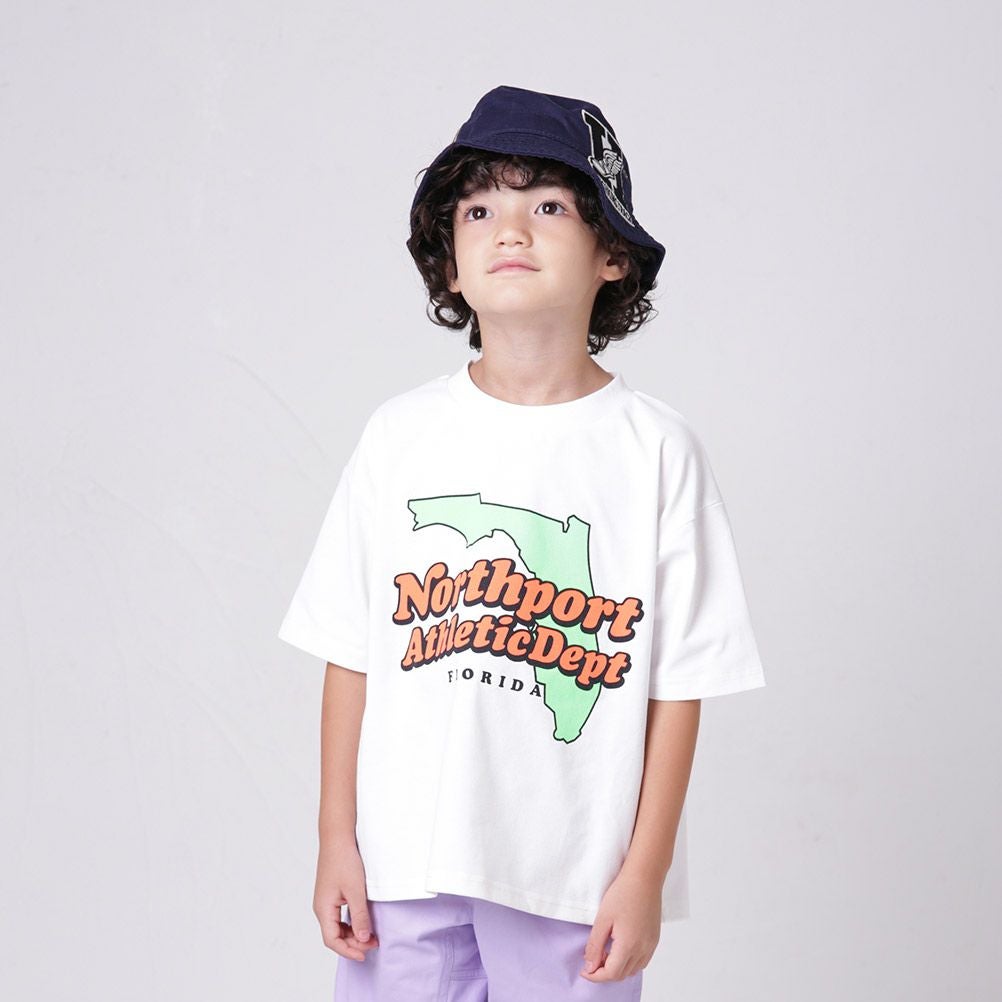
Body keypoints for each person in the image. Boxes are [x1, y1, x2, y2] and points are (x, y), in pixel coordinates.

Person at [278, 84, 767, 1000]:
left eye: (547, 206)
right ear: (449, 266)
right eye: (478, 210)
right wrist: (335, 837)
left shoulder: (655, 452)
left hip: (569, 873)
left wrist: (645, 873)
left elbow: (680, 684)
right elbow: (351, 650)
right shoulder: (399, 436)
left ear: (612, 254)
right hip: (404, 863)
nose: (509, 229)